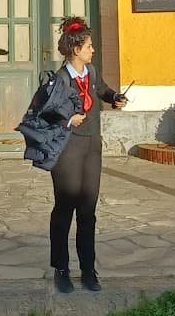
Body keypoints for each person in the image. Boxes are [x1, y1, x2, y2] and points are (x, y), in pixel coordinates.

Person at [38, 17, 127, 293]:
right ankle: (61, 269)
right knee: (65, 209)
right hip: (66, 150)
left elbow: (101, 90)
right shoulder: (58, 80)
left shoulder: (91, 72)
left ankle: (88, 269)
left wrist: (115, 97)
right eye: (89, 46)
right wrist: (68, 120)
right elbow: (44, 114)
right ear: (75, 49)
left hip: (91, 147)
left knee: (88, 211)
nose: (93, 50)